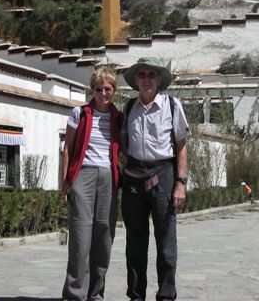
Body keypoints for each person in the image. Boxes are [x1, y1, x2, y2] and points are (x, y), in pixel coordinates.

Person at [121, 57, 190, 301]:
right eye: (142, 75)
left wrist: (180, 183)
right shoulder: (129, 108)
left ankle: (166, 295)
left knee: (166, 241)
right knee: (135, 242)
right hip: (134, 176)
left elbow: (181, 146)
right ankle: (136, 295)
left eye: (152, 74)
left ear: (159, 79)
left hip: (164, 174)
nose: (147, 79)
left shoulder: (172, 106)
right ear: (136, 80)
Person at [61, 66, 123, 301]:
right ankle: (75, 295)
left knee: (104, 238)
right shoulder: (80, 113)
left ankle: (96, 294)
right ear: (93, 90)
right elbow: (67, 148)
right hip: (83, 175)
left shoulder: (118, 117)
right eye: (99, 89)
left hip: (108, 178)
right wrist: (65, 183)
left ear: (113, 90)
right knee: (80, 238)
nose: (104, 93)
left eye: (108, 89)